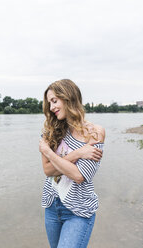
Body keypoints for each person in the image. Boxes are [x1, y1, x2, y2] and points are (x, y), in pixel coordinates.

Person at [39, 79, 105, 248]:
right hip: (52, 206)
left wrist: (48, 153)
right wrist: (78, 153)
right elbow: (48, 170)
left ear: (68, 97)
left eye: (55, 101)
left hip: (79, 211)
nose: (52, 107)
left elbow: (79, 175)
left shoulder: (95, 132)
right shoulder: (51, 132)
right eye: (49, 103)